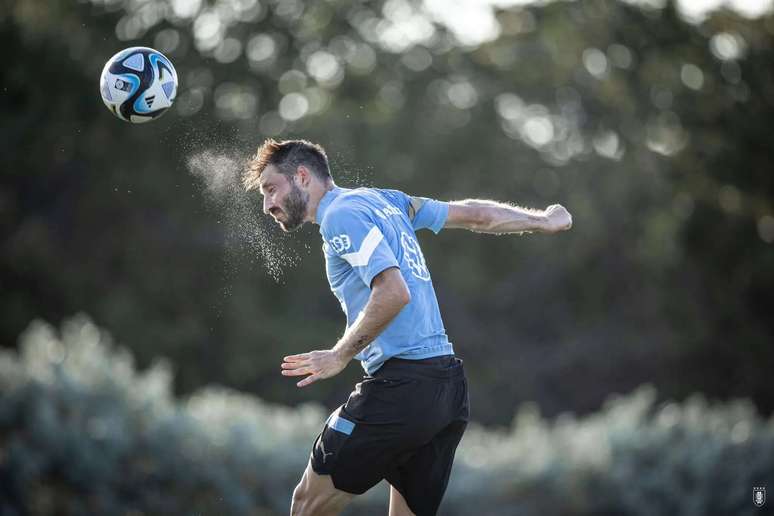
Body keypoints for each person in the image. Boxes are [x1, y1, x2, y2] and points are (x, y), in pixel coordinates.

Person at [242, 139, 572, 516]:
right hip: (446, 390)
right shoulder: (384, 201)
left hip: (402, 389)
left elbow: (394, 292)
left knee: (306, 506)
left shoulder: (339, 216)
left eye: (271, 189)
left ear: (302, 177)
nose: (267, 204)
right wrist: (542, 221)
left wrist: (339, 355)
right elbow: (474, 215)